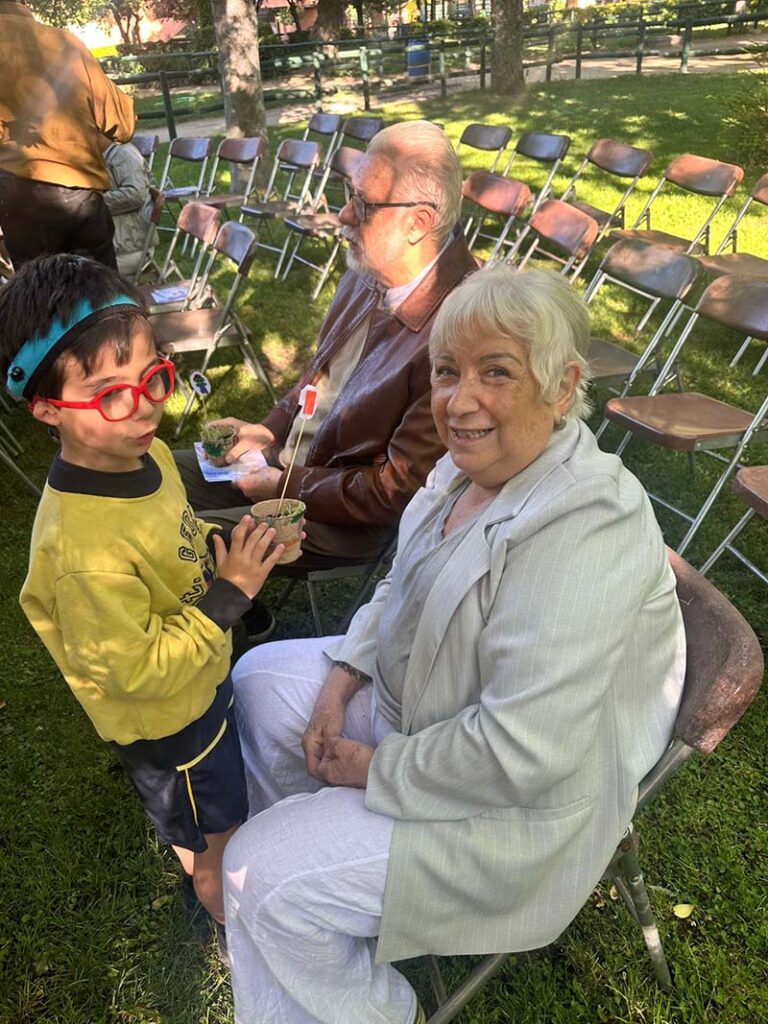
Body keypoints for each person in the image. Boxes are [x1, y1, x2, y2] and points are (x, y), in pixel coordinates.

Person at [222, 265, 687, 1024]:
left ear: (562, 386)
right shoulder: (466, 465)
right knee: (263, 678)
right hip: (426, 713)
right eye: (446, 372)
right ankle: (321, 914)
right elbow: (397, 588)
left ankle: (372, 1000)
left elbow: (522, 753)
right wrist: (340, 682)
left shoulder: (586, 524)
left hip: (508, 812)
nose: (459, 401)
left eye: (495, 373)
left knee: (258, 875)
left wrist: (373, 769)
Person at [0, 254, 285, 956]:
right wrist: (230, 596)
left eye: (152, 375)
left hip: (199, 684)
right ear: (47, 410)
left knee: (202, 817)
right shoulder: (82, 554)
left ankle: (196, 850)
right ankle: (233, 924)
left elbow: (173, 538)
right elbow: (134, 671)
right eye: (109, 394)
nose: (146, 406)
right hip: (169, 724)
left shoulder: (145, 456)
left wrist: (234, 546)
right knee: (219, 838)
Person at [173, 120, 477, 576]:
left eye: (363, 204)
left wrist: (285, 485)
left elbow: (395, 492)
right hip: (289, 470)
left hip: (340, 520)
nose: (344, 215)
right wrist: (269, 430)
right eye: (350, 194)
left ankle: (229, 610)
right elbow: (316, 380)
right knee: (150, 473)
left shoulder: (461, 328)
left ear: (418, 223)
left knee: (174, 543)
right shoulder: (367, 271)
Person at [0, 0, 135, 269]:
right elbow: (123, 123)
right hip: (78, 195)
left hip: (16, 199)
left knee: (39, 292)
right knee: (99, 292)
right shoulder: (64, 43)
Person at [102, 139, 157, 280]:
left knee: (73, 275)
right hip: (109, 247)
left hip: (130, 249)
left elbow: (135, 195)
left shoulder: (123, 153)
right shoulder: (93, 154)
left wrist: (91, 202)